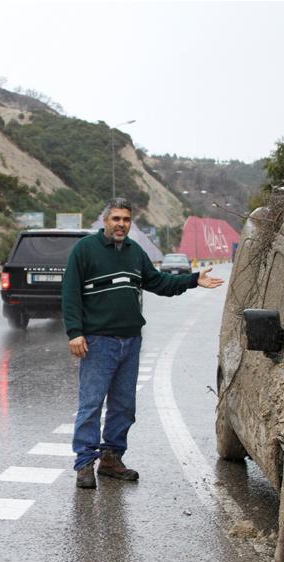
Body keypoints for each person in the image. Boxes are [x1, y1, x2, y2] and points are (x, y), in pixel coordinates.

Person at [62, 198, 225, 489]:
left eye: (126, 219)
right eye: (116, 219)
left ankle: (111, 458)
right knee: (91, 404)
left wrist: (192, 280)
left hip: (131, 342)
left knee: (124, 406)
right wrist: (75, 332)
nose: (121, 224)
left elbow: (159, 282)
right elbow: (70, 292)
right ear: (105, 220)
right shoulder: (85, 250)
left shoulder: (135, 252)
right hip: (98, 342)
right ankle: (84, 463)